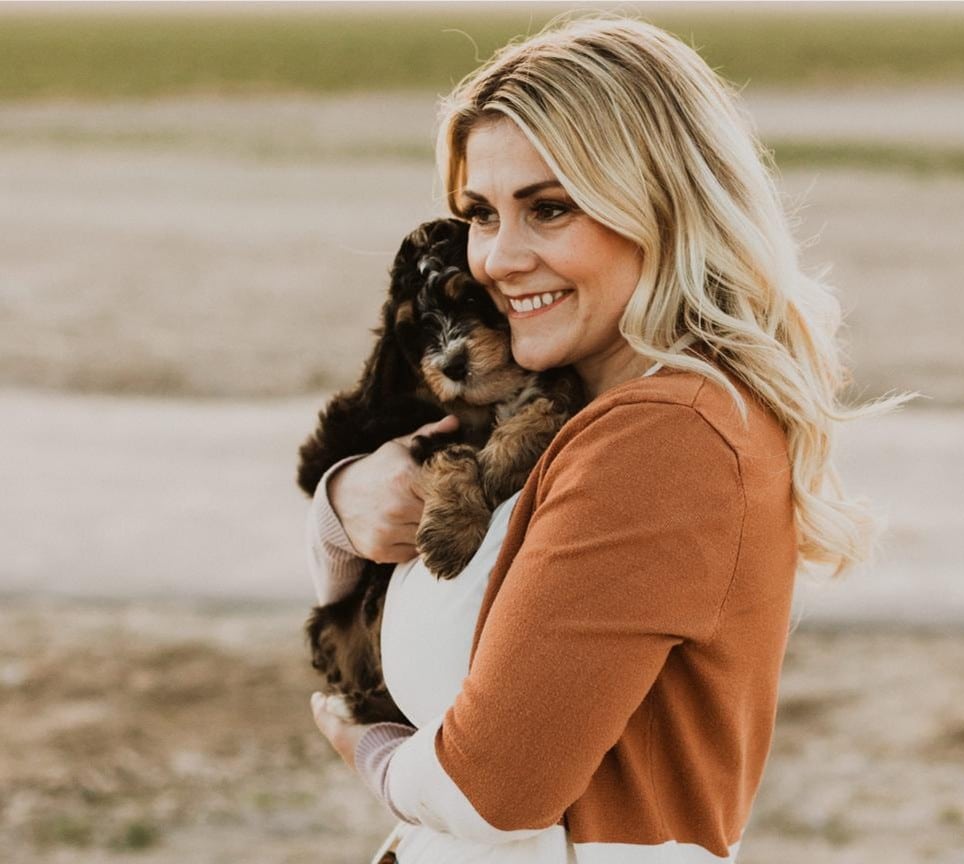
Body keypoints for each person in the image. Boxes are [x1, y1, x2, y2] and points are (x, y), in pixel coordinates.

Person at [307, 15, 903, 863]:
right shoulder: (564, 414)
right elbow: (373, 618)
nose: (499, 259)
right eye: (481, 213)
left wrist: (366, 752)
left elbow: (492, 795)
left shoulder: (667, 437)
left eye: (550, 209)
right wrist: (343, 507)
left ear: (662, 208)